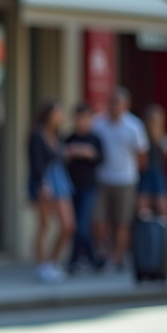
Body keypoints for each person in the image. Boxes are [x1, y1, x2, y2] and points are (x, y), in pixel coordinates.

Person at [92, 87, 148, 271]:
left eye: (118, 103)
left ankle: (117, 257)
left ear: (125, 105)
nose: (113, 106)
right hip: (102, 179)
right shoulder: (98, 123)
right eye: (111, 102)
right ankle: (104, 253)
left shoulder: (134, 126)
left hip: (125, 180)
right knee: (98, 219)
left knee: (122, 221)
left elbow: (142, 157)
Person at [28, 100, 75, 283]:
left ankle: (53, 262)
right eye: (57, 112)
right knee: (44, 225)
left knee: (68, 225)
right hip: (45, 182)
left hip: (61, 181)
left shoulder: (58, 135)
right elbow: (35, 161)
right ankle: (41, 266)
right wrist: (41, 184)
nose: (60, 116)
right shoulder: (37, 135)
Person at [64, 102, 104, 273]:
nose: (84, 121)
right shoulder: (69, 138)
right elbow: (60, 160)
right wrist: (71, 152)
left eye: (88, 118)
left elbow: (101, 159)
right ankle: (79, 261)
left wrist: (89, 153)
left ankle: (91, 259)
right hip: (71, 187)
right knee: (75, 225)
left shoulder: (95, 138)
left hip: (89, 187)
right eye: (81, 117)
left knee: (81, 224)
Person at [138, 104, 167, 217]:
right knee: (142, 207)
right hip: (145, 173)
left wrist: (158, 137)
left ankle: (164, 232)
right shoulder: (141, 135)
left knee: (163, 207)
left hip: (158, 173)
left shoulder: (163, 136)